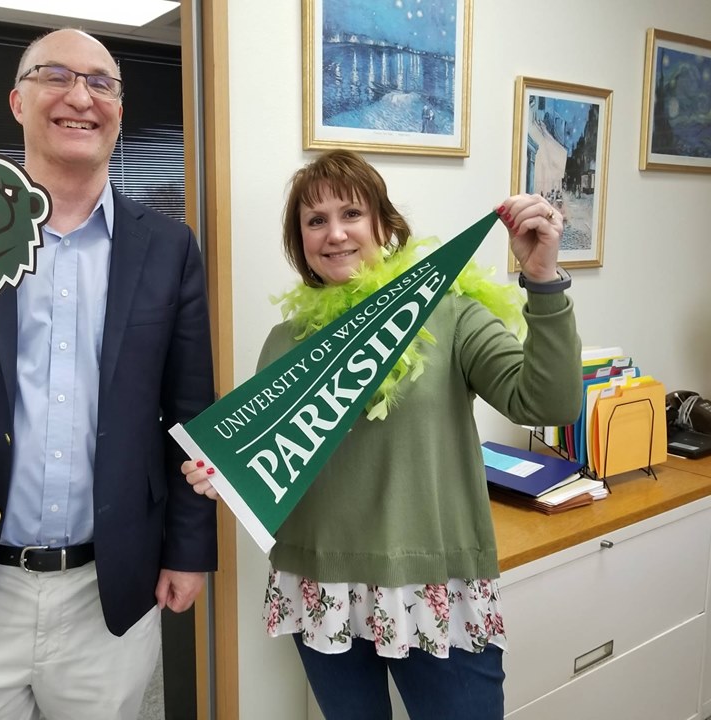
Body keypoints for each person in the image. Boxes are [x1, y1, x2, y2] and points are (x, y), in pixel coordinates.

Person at [0, 28, 217, 720]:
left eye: (101, 82)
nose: (81, 97)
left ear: (119, 108)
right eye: (56, 76)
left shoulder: (168, 247)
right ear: (17, 102)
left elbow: (190, 414)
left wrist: (189, 550)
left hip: (107, 588)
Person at [183, 149, 581, 719]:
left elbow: (548, 404)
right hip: (320, 586)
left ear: (384, 225)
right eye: (315, 220)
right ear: (300, 240)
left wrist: (542, 281)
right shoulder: (285, 341)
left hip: (430, 584)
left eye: (352, 213)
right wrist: (223, 473)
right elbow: (275, 457)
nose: (335, 233)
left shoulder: (450, 313)